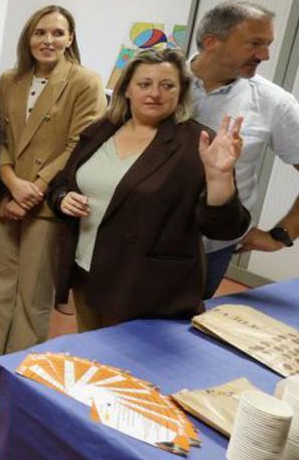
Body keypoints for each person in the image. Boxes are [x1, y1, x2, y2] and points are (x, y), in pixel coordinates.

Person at [48, 48, 249, 328]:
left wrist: (219, 178)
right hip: (88, 273)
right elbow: (62, 182)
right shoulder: (103, 130)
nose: (154, 93)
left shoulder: (195, 143)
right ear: (127, 89)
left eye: (167, 85)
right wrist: (61, 198)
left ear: (181, 92)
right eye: (144, 84)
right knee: (91, 360)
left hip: (146, 286)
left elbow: (224, 228)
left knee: (130, 366)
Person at [0, 5, 105, 386]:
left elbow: (81, 145)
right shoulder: (10, 78)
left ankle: (18, 367)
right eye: (39, 33)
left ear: (70, 38)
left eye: (57, 33)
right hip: (6, 196)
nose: (48, 41)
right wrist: (10, 181)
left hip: (46, 203)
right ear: (27, 38)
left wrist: (34, 190)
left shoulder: (85, 81)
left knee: (33, 293)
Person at [189, 0, 299, 297]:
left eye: (268, 44)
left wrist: (282, 235)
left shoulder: (274, 102)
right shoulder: (159, 82)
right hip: (137, 237)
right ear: (211, 42)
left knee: (180, 332)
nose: (264, 55)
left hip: (207, 250)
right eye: (255, 43)